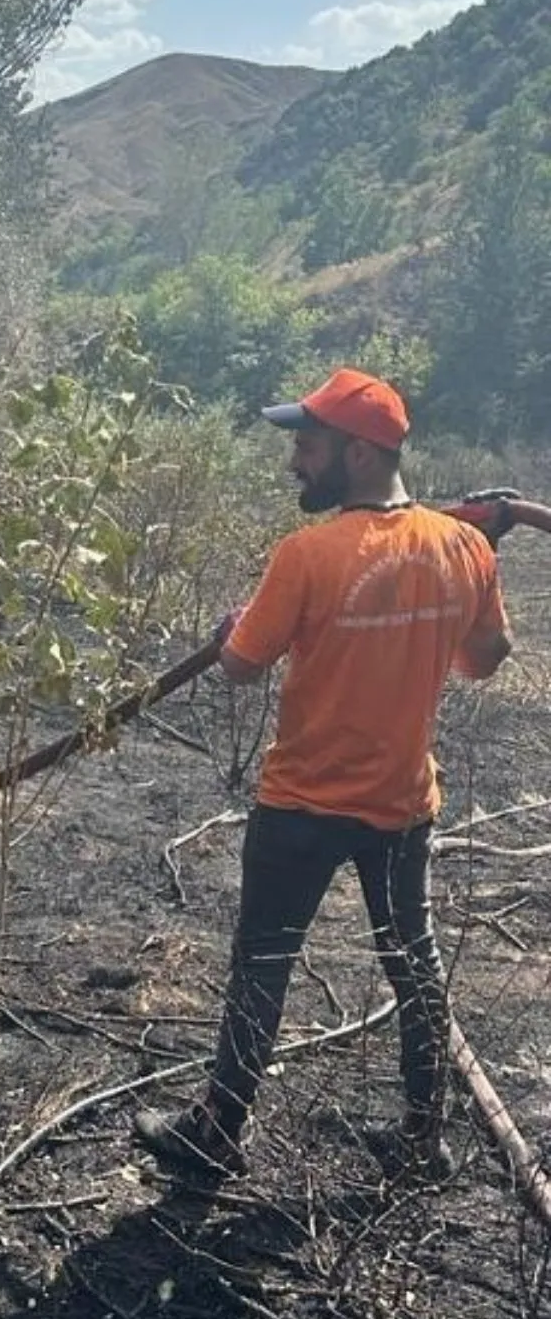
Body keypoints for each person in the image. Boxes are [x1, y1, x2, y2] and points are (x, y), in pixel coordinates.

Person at [135, 367, 513, 1184]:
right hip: (402, 808)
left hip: (301, 808)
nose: (294, 463)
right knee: (414, 966)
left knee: (262, 966)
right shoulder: (465, 548)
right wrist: (442, 603)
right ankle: (423, 1142)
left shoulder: (306, 555)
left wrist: (233, 627)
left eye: (307, 446)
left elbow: (239, 666)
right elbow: (486, 660)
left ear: (363, 454)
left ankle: (217, 1131)